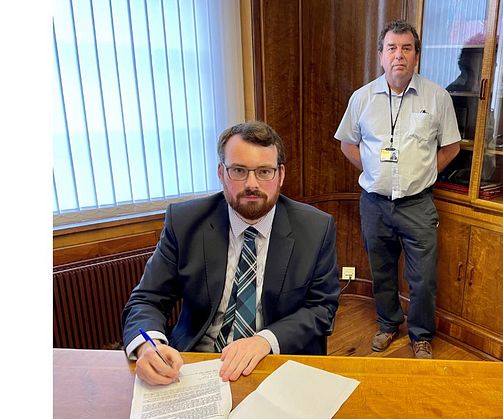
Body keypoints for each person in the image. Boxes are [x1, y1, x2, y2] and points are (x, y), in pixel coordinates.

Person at [122, 121, 340, 385]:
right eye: (238, 170)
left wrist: (265, 340)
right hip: (194, 364)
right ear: (221, 173)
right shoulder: (184, 222)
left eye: (264, 172)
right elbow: (146, 299)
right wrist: (149, 346)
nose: (251, 184)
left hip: (277, 361)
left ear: (280, 175)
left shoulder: (316, 228)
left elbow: (321, 308)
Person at [334, 20, 461, 359]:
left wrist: (422, 174)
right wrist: (375, 172)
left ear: (416, 56)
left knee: (423, 279)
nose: (399, 55)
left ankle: (420, 336)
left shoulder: (437, 98)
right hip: (374, 204)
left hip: (418, 205)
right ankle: (388, 325)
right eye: (392, 48)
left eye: (406, 48)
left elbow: (451, 147)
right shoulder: (362, 98)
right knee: (383, 272)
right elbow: (348, 144)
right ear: (381, 55)